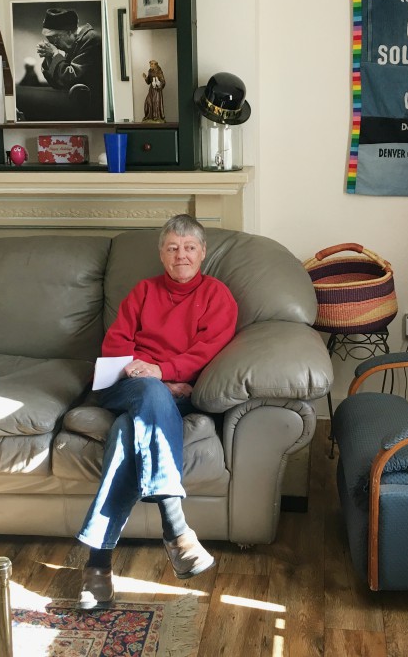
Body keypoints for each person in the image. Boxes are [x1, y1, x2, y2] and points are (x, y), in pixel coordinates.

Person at [66, 214, 238, 610]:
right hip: (129, 385)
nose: (182, 255)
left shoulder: (217, 296)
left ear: (203, 253)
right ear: (161, 254)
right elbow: (116, 344)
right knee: (147, 392)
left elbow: (209, 349)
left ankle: (97, 565)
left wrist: (164, 372)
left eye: (190, 247)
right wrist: (148, 374)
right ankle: (176, 528)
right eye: (173, 247)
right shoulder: (143, 292)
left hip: (177, 391)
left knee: (128, 433)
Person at [35, 7, 103, 110]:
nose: (54, 43)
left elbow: (70, 78)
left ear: (70, 32)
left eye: (56, 37)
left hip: (94, 107)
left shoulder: (91, 39)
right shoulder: (74, 44)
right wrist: (49, 58)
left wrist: (55, 54)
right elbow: (57, 84)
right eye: (50, 40)